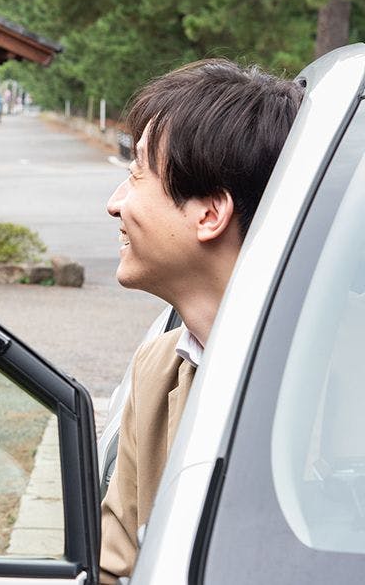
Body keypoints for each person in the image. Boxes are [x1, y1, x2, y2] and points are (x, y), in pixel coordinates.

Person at [99, 59, 303, 583]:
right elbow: (113, 562)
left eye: (136, 175)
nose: (114, 204)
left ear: (210, 213)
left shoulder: (340, 374)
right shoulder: (158, 367)